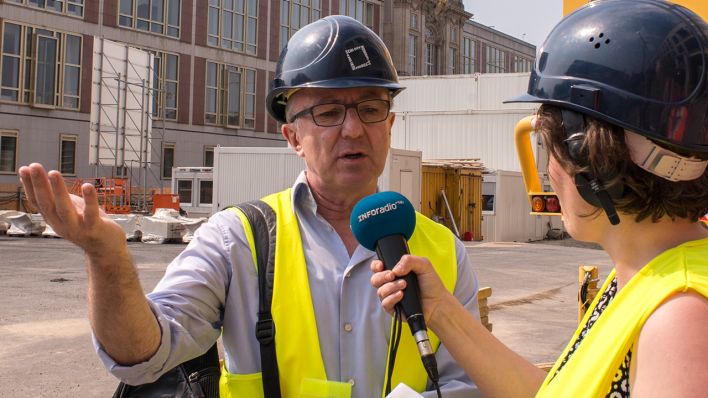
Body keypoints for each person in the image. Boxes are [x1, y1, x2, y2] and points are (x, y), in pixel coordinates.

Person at [18, 15, 480, 398]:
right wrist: (106, 258)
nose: (354, 129)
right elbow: (143, 355)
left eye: (370, 108)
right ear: (292, 136)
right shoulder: (238, 238)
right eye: (328, 112)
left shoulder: (441, 249)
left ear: (390, 123)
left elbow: (468, 384)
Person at [372, 1, 708, 397]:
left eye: (550, 149)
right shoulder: (644, 277)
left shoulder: (681, 318)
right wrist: (440, 310)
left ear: (591, 158)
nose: (548, 170)